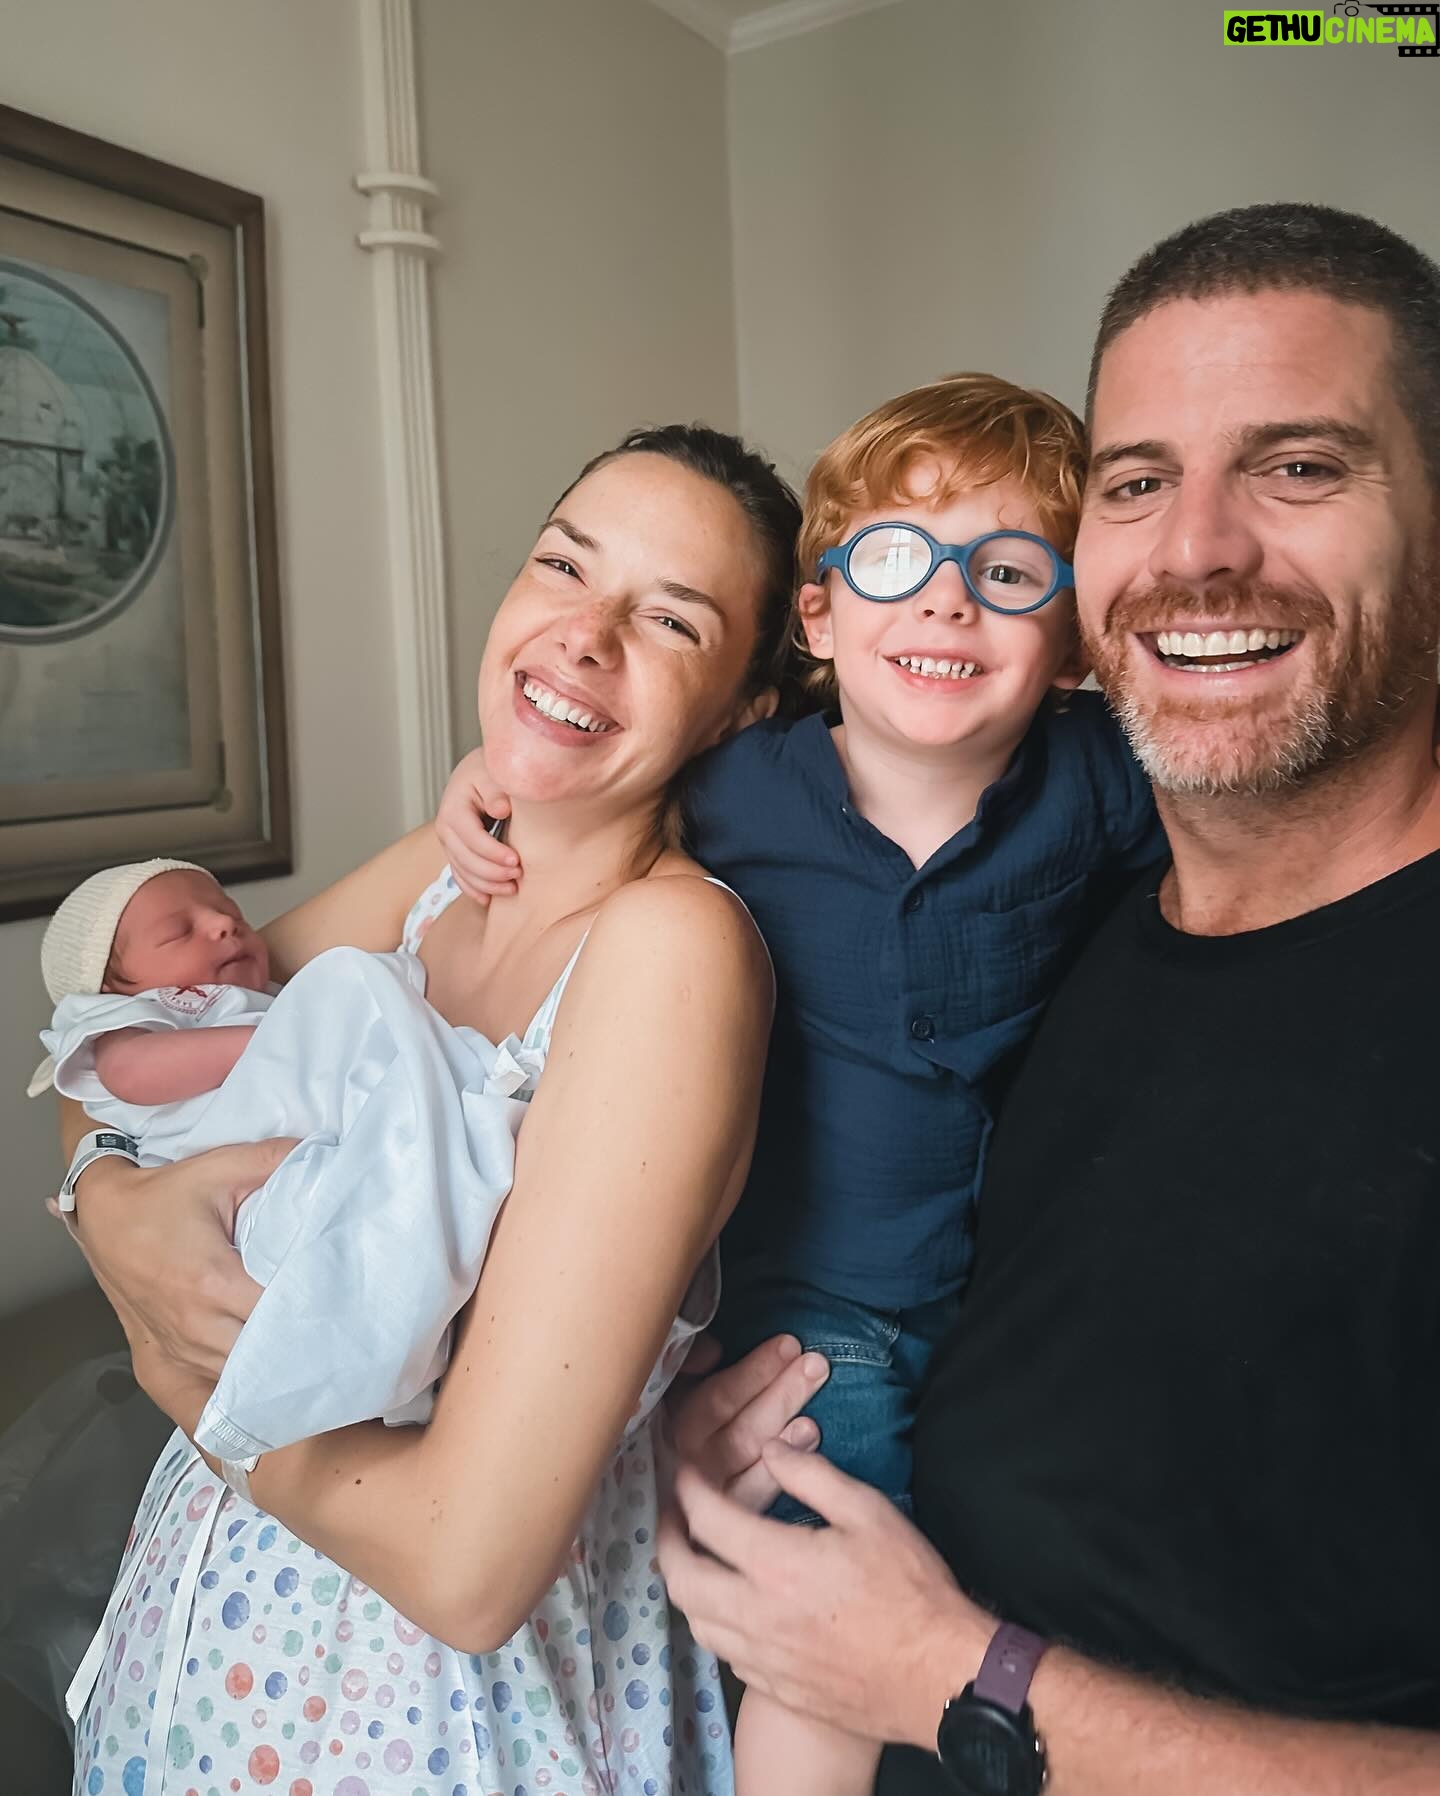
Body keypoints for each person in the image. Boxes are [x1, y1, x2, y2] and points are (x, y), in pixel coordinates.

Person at [657, 201, 1440, 1795]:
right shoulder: (1093, 906)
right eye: (1137, 484)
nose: (1198, 548)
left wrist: (961, 1683)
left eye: (1301, 467)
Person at [437, 373, 1161, 1795]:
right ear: (820, 617)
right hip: (805, 1306)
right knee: (820, 1636)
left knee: (1011, 1564)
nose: (947, 600)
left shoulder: (1098, 783)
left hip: (1001, 1290)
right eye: (895, 559)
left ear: (1074, 643)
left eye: (1010, 574)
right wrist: (482, 784)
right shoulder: (735, 790)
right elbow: (585, 776)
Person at [55, 422, 800, 1796]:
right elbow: (116, 1042)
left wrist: (180, 1378)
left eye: (670, 621)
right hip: (197, 1652)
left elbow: (469, 1570)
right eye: (564, 565)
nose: (583, 637)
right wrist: (110, 1202)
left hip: (426, 1719)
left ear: (742, 708)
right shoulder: (452, 866)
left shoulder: (667, 953)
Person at [27, 859, 552, 1461]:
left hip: (300, 1145)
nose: (224, 926)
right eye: (179, 932)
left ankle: (399, 1336)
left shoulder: (260, 996)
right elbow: (130, 1073)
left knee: (378, 1191)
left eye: (228, 912)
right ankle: (366, 1351)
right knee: (308, 1224)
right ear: (109, 987)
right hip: (232, 1184)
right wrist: (278, 1038)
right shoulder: (140, 1019)